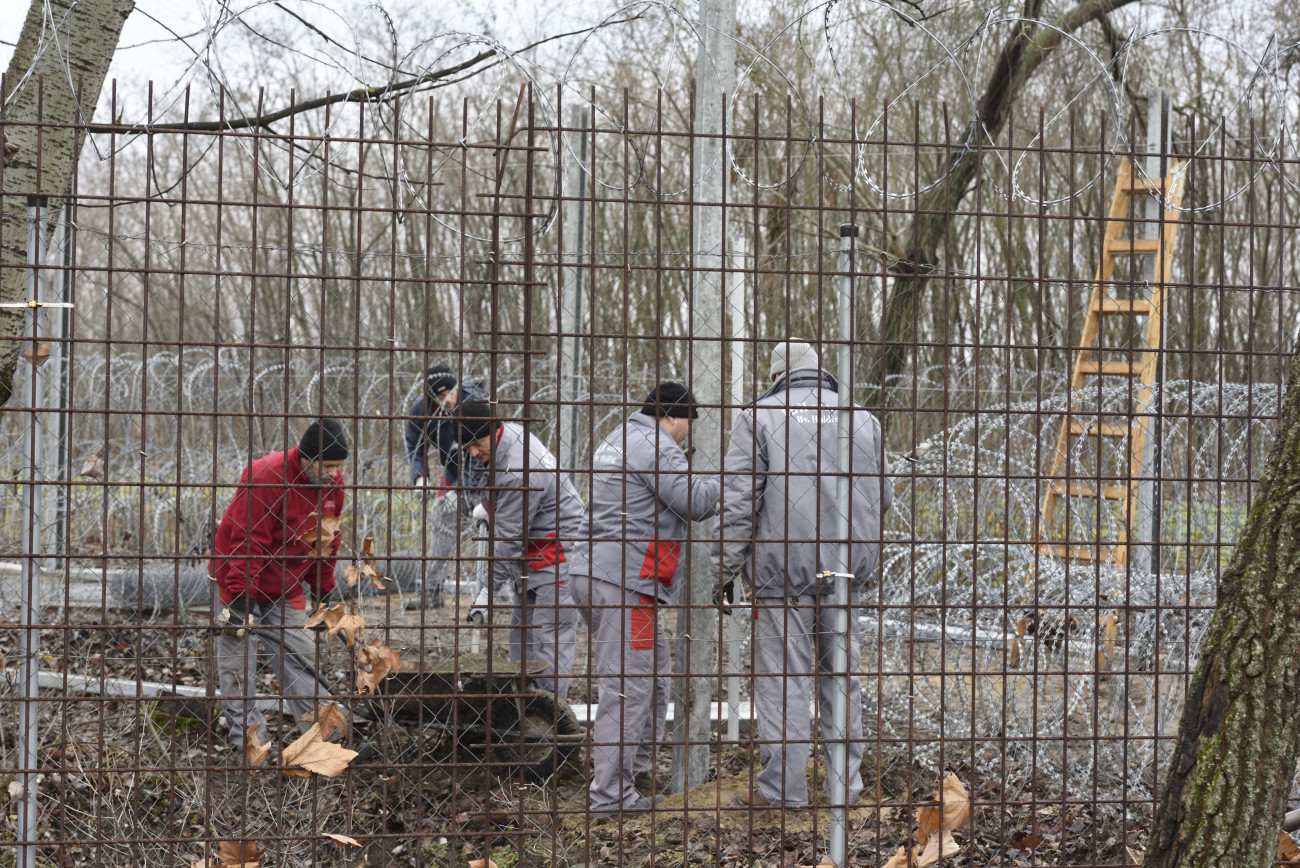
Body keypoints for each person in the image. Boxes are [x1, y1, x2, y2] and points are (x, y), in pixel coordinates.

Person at [712, 340, 892, 808]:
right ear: (822, 372)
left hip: (782, 576)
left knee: (783, 680)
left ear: (775, 378)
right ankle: (843, 789)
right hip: (846, 574)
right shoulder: (863, 418)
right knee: (841, 678)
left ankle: (782, 792)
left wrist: (723, 569)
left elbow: (738, 504)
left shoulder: (759, 417)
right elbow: (884, 497)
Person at [569, 382, 719, 819]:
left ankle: (632, 775)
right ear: (674, 416)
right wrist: (737, 476)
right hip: (626, 584)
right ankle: (610, 798)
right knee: (630, 685)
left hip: (594, 574)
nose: (689, 433)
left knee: (653, 675)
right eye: (689, 423)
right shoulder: (656, 444)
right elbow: (692, 501)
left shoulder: (616, 439)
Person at [209, 418, 349, 752]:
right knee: (237, 668)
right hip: (238, 581)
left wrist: (325, 591)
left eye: (338, 466)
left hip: (285, 585)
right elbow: (247, 542)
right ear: (306, 458)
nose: (334, 473)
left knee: (299, 659)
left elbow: (327, 540)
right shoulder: (265, 477)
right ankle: (251, 747)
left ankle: (327, 741)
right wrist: (241, 602)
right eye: (327, 466)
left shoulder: (332, 485)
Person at [455, 399, 584, 698]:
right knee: (523, 638)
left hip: (558, 553)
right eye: (466, 447)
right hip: (533, 553)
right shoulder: (507, 436)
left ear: (493, 429)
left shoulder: (519, 468)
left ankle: (550, 721)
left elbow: (508, 539)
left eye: (476, 443)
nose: (473, 452)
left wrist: (487, 590)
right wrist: (490, 506)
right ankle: (522, 712)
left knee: (549, 643)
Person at [403, 363, 487, 606]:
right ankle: (432, 590)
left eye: (451, 393)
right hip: (454, 476)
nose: (448, 400)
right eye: (440, 397)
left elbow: (486, 446)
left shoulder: (476, 402)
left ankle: (501, 592)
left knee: (496, 528)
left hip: (484, 474)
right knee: (443, 514)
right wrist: (420, 476)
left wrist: (476, 494)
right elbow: (415, 447)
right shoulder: (423, 410)